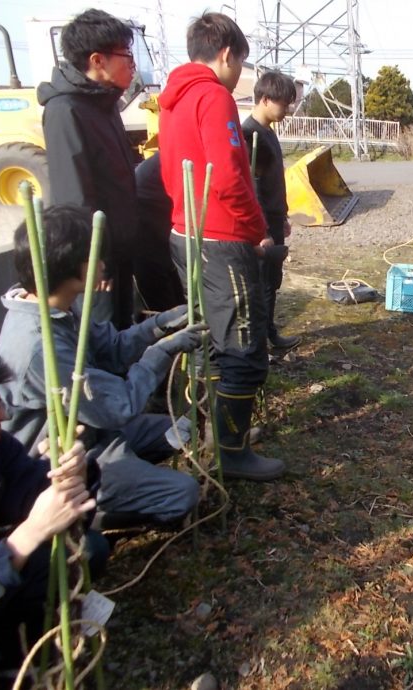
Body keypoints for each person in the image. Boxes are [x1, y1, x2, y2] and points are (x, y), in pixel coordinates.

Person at [0, 205, 201, 530]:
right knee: (183, 493)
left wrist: (160, 325)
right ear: (71, 267)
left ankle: (123, 478)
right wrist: (160, 354)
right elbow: (118, 407)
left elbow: (114, 350)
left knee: (180, 431)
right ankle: (85, 516)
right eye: (94, 258)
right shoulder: (38, 347)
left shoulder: (59, 309)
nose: (104, 266)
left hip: (92, 433)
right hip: (56, 461)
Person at [158, 12, 286, 481]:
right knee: (243, 347)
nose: (240, 75)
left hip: (185, 230)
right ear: (227, 54)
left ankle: (218, 431)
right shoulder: (212, 96)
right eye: (241, 64)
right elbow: (230, 173)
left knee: (210, 340)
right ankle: (231, 452)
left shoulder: (171, 98)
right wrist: (257, 230)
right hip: (221, 235)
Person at [0, 346, 107, 688]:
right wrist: (27, 536)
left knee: (87, 550)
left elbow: (29, 484)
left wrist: (70, 473)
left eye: (0, 404)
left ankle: (22, 651)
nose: (4, 419)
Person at [37, 8, 140, 330]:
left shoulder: (104, 104)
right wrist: (92, 260)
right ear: (97, 61)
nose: (132, 63)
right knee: (100, 338)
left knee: (122, 333)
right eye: (125, 55)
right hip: (95, 264)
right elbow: (73, 196)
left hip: (119, 250)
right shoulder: (65, 111)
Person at [242, 70, 301, 357]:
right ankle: (258, 343)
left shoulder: (269, 133)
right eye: (284, 103)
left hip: (275, 220)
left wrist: (284, 216)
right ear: (265, 99)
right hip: (261, 227)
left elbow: (273, 182)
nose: (287, 110)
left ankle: (269, 333)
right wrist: (262, 230)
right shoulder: (250, 135)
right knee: (261, 284)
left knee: (272, 282)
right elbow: (251, 190)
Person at [133, 154, 186, 313]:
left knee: (177, 305)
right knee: (167, 310)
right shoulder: (163, 165)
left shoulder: (164, 161)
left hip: (160, 238)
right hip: (147, 241)